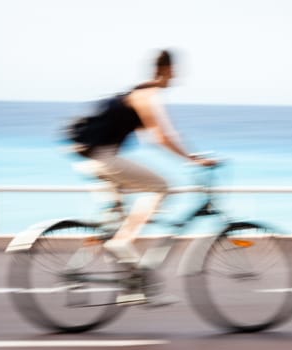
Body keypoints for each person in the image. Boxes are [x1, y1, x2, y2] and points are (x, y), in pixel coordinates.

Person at [69, 50, 216, 305]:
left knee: (117, 220)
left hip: (94, 160)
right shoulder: (148, 95)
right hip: (105, 160)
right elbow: (160, 136)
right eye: (174, 70)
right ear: (166, 69)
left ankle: (131, 287)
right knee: (161, 187)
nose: (176, 75)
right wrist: (193, 158)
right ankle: (122, 243)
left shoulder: (136, 91)